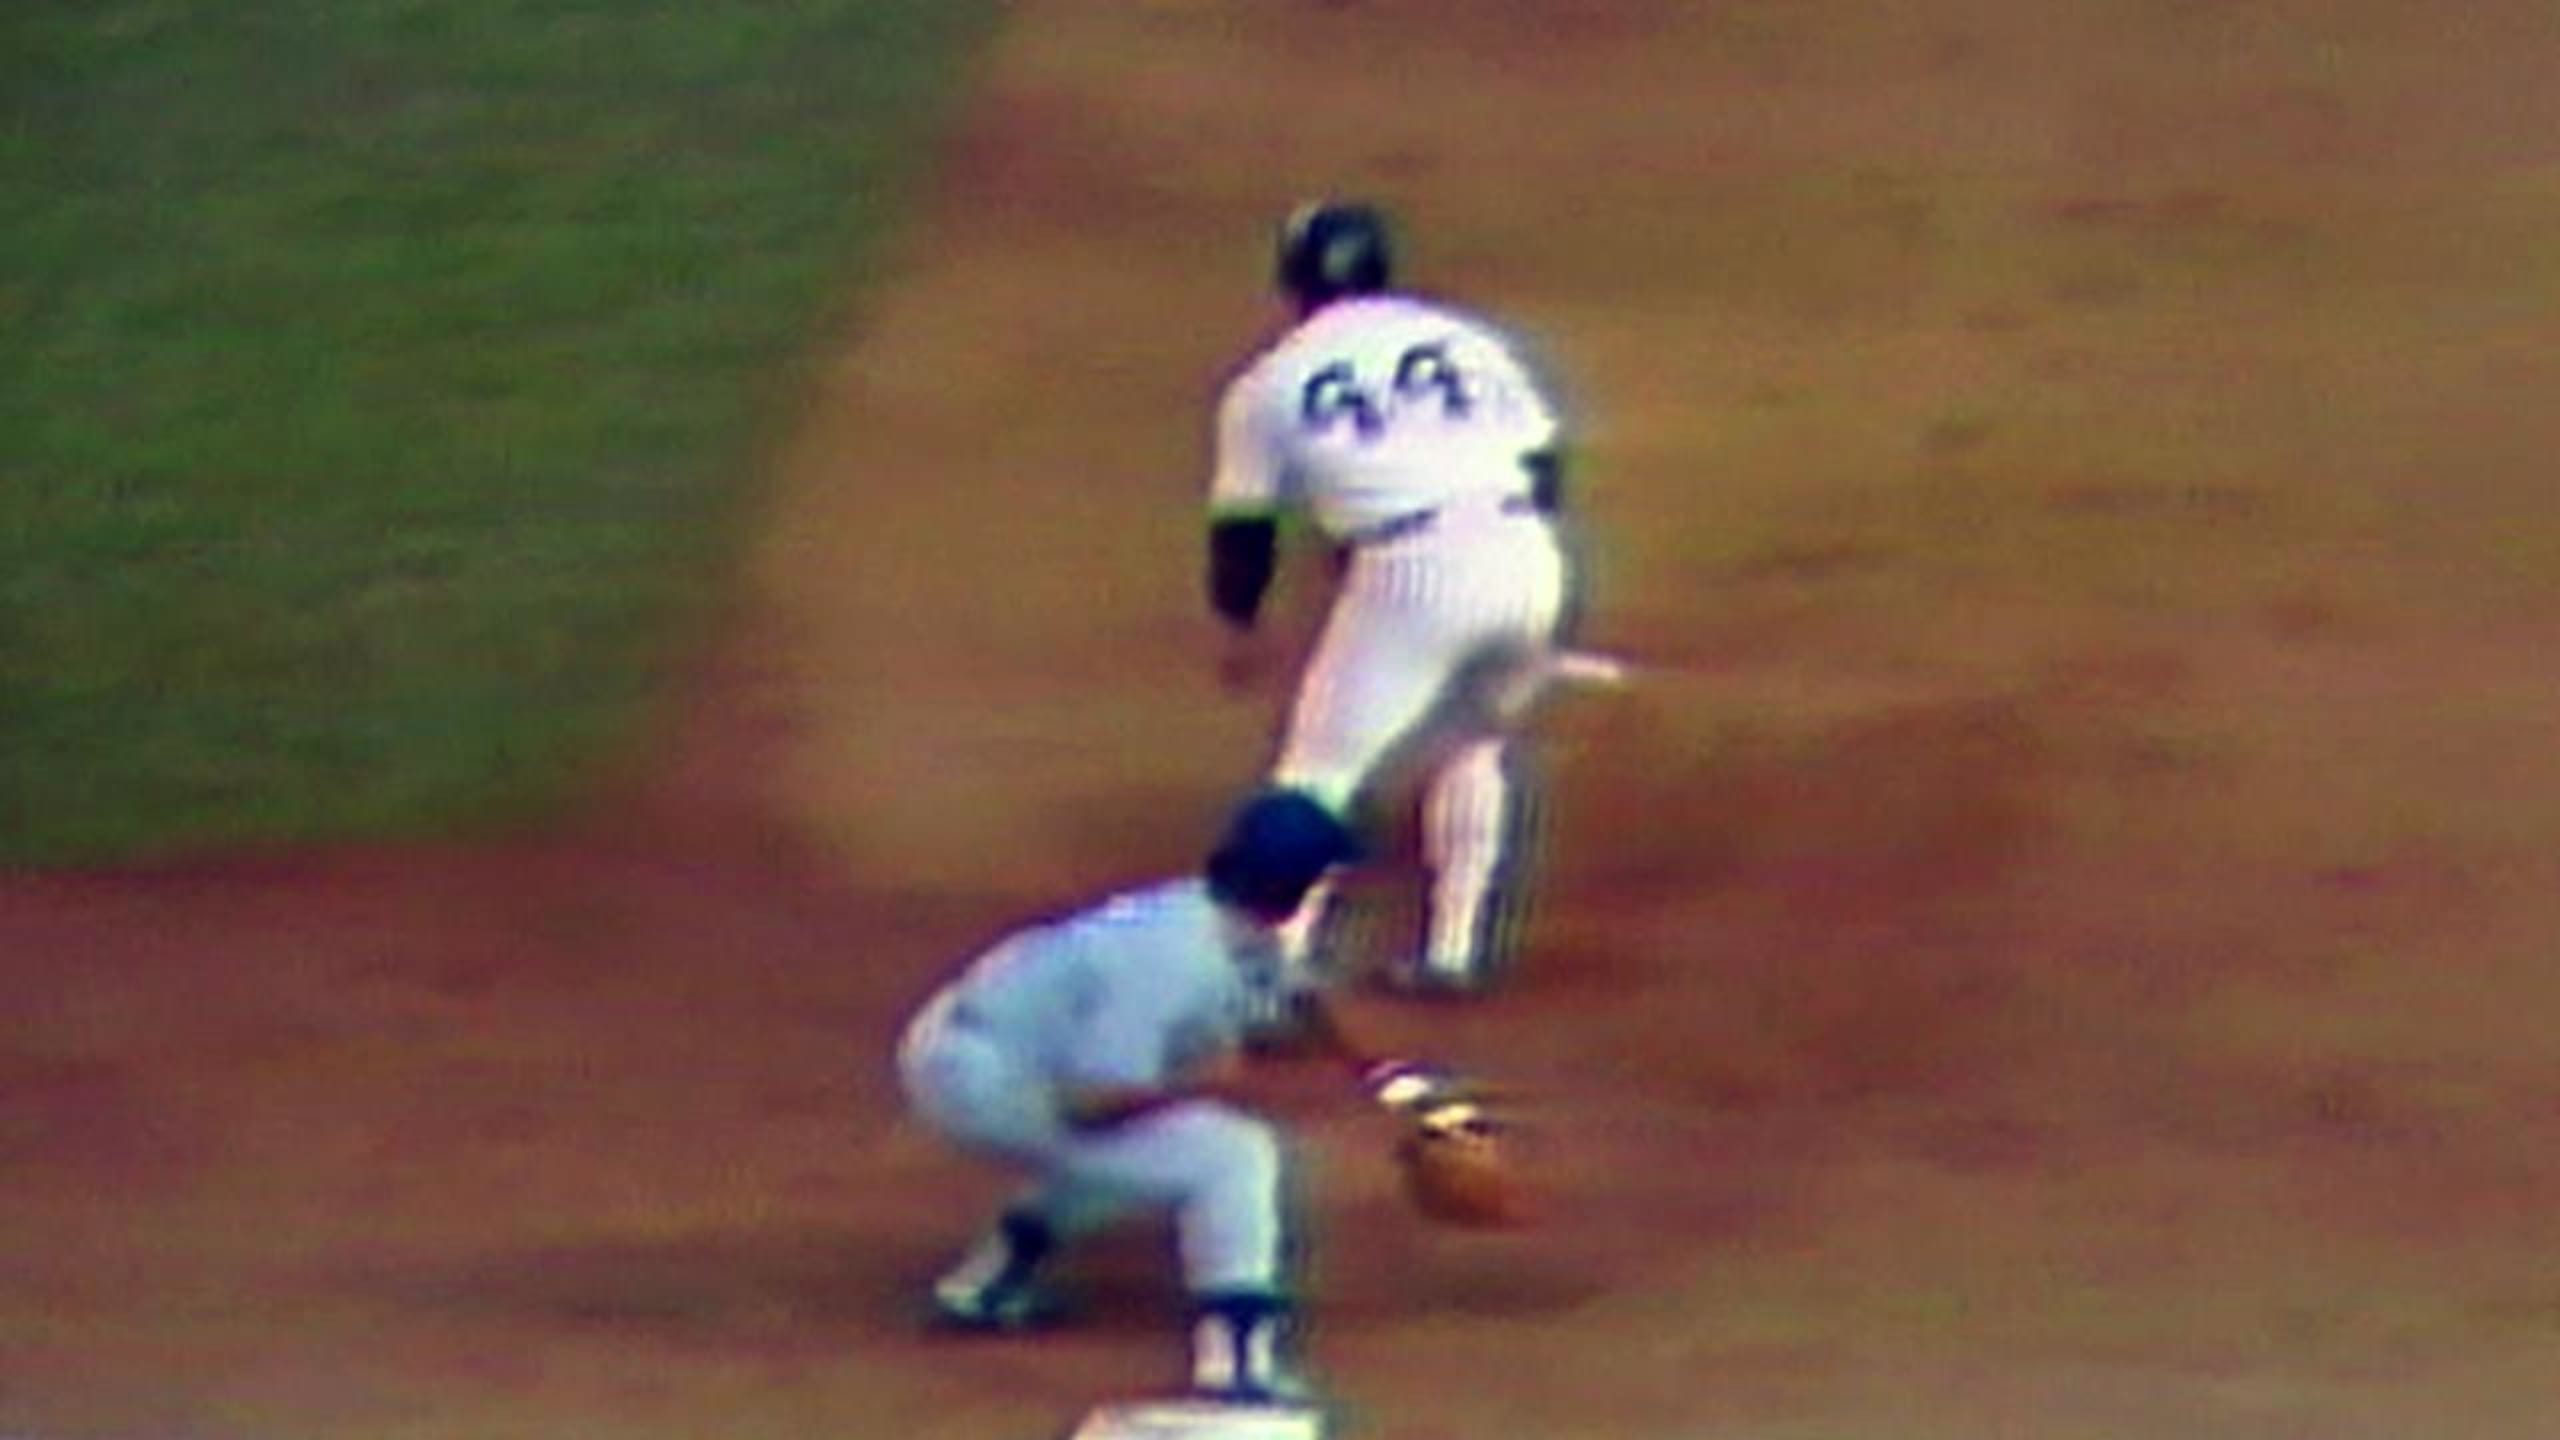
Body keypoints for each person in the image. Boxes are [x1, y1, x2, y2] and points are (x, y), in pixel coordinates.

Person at [897, 789, 1432, 1404]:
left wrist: (1390, 1084)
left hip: (1000, 1045)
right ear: (1296, 886)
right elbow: (1091, 1103)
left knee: (1161, 1139)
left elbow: (1296, 1005)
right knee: (1232, 1155)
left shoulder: (1222, 918)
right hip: (978, 1080)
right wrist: (1206, 1083)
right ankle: (1234, 1366)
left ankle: (993, 1279)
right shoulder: (1173, 961)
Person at [1203, 198, 1583, 996]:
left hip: (1417, 569)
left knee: (1318, 772)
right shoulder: (1462, 338)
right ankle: (1454, 954)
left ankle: (1275, 971)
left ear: (1294, 283)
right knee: (1472, 743)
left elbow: (1244, 530)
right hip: (1529, 555)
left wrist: (1240, 625)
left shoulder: (1269, 384)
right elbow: (1546, 464)